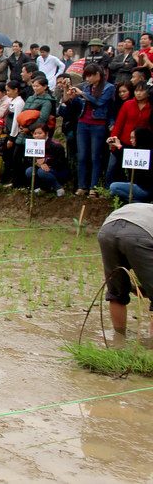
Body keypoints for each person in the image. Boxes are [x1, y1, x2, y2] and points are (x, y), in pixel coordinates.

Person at [96, 202, 153, 337]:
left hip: (107, 230)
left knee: (116, 293)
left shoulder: (144, 208)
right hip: (140, 233)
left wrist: (139, 287)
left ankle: (119, 341)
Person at [70, 64, 113, 198]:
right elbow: (77, 103)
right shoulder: (86, 87)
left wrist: (82, 93)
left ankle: (94, 187)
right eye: (86, 76)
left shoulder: (109, 87)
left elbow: (99, 102)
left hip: (98, 124)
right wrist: (71, 94)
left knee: (95, 157)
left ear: (97, 75)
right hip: (83, 123)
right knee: (82, 156)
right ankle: (82, 186)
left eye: (90, 75)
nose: (87, 79)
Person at [108, 128, 153, 203]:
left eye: (133, 137)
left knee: (114, 187)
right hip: (140, 187)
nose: (130, 140)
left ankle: (138, 202)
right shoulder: (142, 149)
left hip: (144, 189)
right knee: (113, 192)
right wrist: (118, 145)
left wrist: (119, 146)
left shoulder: (143, 153)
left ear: (140, 138)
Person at [24, 127, 68, 196]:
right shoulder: (32, 145)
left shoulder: (56, 145)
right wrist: (39, 164)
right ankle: (38, 189)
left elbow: (61, 162)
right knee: (29, 171)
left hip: (56, 170)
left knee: (42, 172)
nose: (37, 136)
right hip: (40, 168)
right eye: (35, 133)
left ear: (46, 133)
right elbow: (29, 160)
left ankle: (58, 188)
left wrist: (47, 163)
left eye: (40, 133)